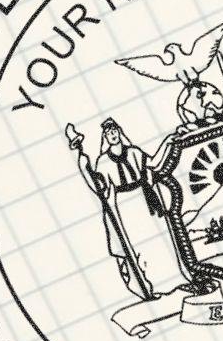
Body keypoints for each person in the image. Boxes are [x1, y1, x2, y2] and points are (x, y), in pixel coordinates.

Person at [67, 118, 177, 300]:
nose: (112, 134)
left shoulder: (134, 152)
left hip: (144, 199)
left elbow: (153, 165)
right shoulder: (103, 161)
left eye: (114, 130)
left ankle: (171, 281)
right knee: (137, 245)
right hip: (125, 206)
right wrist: (82, 160)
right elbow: (99, 186)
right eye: (108, 133)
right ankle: (150, 286)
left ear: (119, 131)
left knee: (158, 239)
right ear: (105, 137)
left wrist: (168, 144)